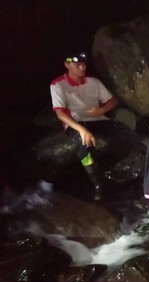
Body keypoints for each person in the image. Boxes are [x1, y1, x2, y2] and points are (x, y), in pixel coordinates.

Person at [50, 52, 143, 201]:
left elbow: (113, 101)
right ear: (67, 65)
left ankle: (147, 162)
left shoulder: (93, 82)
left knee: (123, 130)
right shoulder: (58, 84)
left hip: (98, 119)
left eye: (83, 64)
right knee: (83, 144)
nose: (81, 67)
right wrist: (82, 131)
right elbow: (61, 114)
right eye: (77, 64)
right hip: (76, 122)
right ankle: (98, 184)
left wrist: (101, 110)